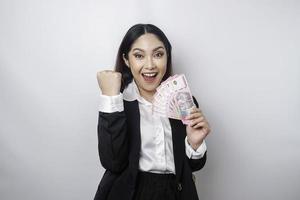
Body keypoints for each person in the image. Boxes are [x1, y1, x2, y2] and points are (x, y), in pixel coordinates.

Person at [94, 24, 211, 200]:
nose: (150, 65)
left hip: (175, 193)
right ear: (126, 60)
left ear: (167, 56)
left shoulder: (184, 101)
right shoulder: (119, 103)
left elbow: (194, 166)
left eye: (158, 54)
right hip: (131, 193)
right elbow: (112, 163)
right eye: (139, 56)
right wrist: (110, 98)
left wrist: (195, 144)